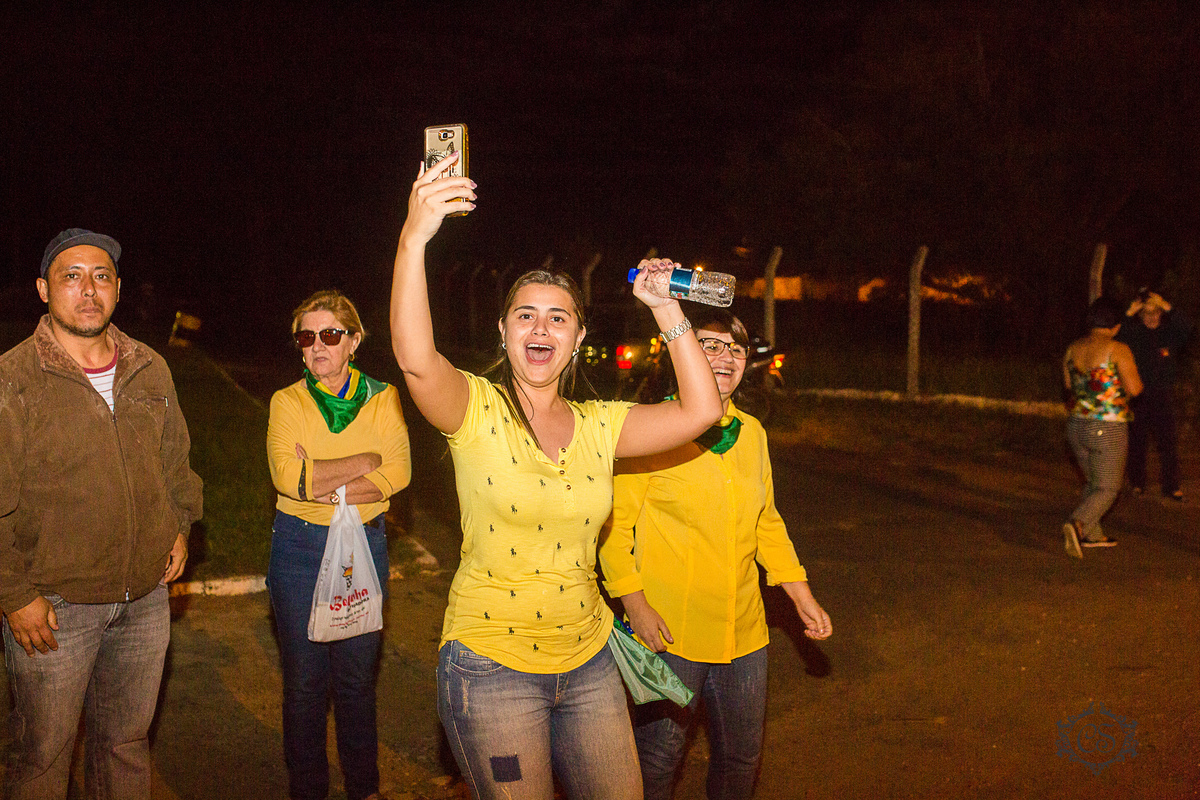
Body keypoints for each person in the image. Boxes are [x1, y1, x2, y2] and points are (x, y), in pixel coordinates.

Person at [389, 152, 724, 800]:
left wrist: (666, 310)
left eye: (557, 317)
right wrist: (414, 236)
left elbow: (702, 410)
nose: (541, 326)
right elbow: (414, 357)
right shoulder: (477, 409)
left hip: (590, 659)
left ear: (576, 337)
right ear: (504, 331)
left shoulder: (603, 424)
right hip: (491, 668)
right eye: (525, 315)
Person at [0, 228, 204, 799]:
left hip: (144, 603)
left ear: (117, 290)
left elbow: (176, 466)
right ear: (43, 289)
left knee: (125, 747)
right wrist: (15, 594)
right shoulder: (12, 379)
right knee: (41, 758)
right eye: (71, 276)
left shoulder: (149, 368)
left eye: (101, 277)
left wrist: (180, 527)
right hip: (55, 611)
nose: (88, 289)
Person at [599, 308, 832, 800]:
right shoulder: (653, 430)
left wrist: (800, 595)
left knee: (742, 759)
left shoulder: (752, 433)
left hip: (745, 633)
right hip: (671, 633)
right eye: (710, 344)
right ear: (680, 352)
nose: (726, 356)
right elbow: (613, 532)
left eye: (736, 348)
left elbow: (766, 523)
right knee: (659, 759)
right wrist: (634, 604)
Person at [266, 290, 411, 800]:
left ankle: (364, 788)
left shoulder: (384, 396)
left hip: (363, 549)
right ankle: (307, 789)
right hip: (299, 552)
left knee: (354, 684)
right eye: (307, 337)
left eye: (330, 335)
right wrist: (365, 459)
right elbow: (288, 477)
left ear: (352, 341)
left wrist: (325, 480)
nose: (318, 346)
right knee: (304, 687)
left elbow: (400, 471)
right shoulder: (287, 401)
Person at [1062, 296, 1143, 558]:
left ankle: (1093, 536)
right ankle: (1078, 523)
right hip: (1107, 427)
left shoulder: (1073, 348)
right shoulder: (1117, 349)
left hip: (1076, 426)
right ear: (1116, 326)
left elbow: (1068, 386)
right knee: (1108, 487)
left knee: (1095, 482)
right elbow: (1135, 388)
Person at [1118, 288, 1193, 501]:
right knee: (1137, 441)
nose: (1151, 317)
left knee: (1168, 442)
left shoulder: (1169, 333)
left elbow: (1188, 329)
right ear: (1142, 315)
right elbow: (1117, 334)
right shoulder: (1135, 333)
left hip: (1163, 394)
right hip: (1139, 394)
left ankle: (1171, 486)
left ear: (1160, 313)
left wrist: (1167, 305)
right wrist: (1130, 312)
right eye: (1147, 313)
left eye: (1155, 312)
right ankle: (1137, 483)